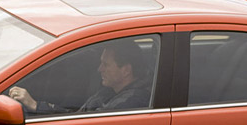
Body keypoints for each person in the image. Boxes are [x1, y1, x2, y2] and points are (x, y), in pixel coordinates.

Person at [9, 39, 152, 115]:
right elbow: (78, 115)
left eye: (105, 64)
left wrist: (36, 106)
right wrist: (36, 106)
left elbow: (84, 124)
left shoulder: (131, 102)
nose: (99, 69)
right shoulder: (111, 91)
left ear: (126, 70)